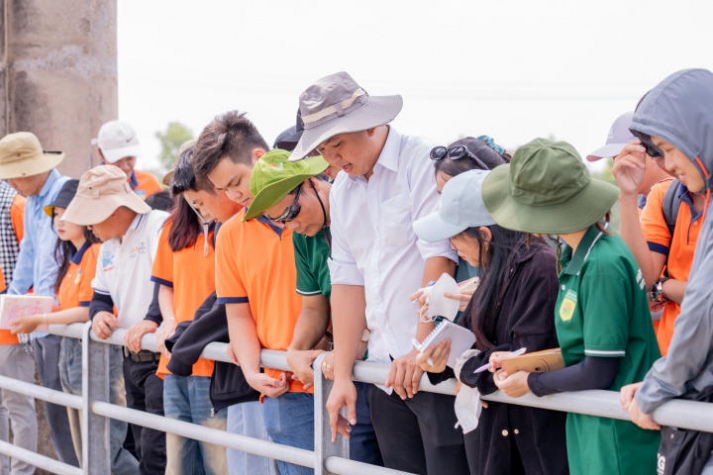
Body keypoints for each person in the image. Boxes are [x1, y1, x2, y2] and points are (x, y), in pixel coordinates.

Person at [290, 71, 468, 474]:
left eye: (338, 145)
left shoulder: (420, 162)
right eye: (325, 151)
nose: (334, 160)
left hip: (433, 365)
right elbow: (348, 281)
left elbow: (439, 259)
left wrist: (419, 348)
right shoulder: (341, 190)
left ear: (370, 124)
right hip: (383, 369)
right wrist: (345, 374)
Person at [482, 138, 660, 475]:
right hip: (593, 422)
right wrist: (527, 363)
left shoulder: (602, 264)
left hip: (616, 433)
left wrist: (531, 384)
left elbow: (599, 369)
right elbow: (586, 350)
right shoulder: (577, 256)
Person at [412, 169, 568, 475]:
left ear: (484, 234)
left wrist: (463, 366)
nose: (452, 247)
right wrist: (440, 362)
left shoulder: (539, 265)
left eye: (456, 237)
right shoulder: (493, 271)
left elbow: (520, 358)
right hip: (501, 435)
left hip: (537, 440)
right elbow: (472, 348)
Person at [244, 149, 383, 466]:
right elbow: (313, 308)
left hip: (386, 362)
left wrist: (354, 345)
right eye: (279, 222)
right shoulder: (303, 239)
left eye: (291, 213)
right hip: (355, 372)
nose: (291, 225)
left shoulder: (361, 210)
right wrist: (295, 349)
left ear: (311, 183)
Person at [193, 112, 307, 475]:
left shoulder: (317, 208)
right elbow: (238, 313)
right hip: (283, 388)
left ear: (260, 158)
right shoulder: (230, 234)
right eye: (223, 189)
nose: (233, 195)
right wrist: (250, 369)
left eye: (236, 181)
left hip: (344, 375)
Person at [618, 68, 713, 473]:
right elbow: (643, 279)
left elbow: (705, 303)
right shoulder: (671, 197)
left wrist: (661, 385)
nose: (666, 162)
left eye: (667, 147)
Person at [10, 179, 138, 474]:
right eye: (55, 215)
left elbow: (84, 311)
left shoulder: (95, 254)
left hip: (92, 356)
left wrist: (39, 319)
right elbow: (68, 307)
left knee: (106, 446)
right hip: (73, 355)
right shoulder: (73, 260)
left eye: (68, 213)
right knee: (84, 443)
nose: (60, 221)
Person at [62, 164, 168, 475]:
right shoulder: (107, 247)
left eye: (90, 217)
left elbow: (170, 282)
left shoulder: (158, 227)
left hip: (161, 357)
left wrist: (152, 318)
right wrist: (99, 314)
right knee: (140, 443)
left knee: (157, 450)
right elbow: (100, 296)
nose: (88, 226)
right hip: (131, 356)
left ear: (112, 211)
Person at [0, 131, 79, 468]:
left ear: (26, 172)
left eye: (12, 177)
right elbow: (28, 261)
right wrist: (12, 303)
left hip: (64, 318)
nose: (11, 185)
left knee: (73, 410)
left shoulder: (67, 196)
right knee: (54, 407)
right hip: (42, 321)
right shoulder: (32, 202)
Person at [150, 143, 228, 475]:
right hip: (174, 360)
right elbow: (164, 285)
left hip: (214, 362)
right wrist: (168, 320)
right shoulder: (172, 229)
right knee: (179, 462)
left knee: (218, 462)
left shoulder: (230, 227)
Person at [610, 110, 705, 355]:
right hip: (670, 361)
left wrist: (664, 288)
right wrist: (627, 196)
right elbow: (639, 281)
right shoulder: (663, 197)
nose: (617, 163)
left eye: (663, 148)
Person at [430, 136, 509, 283]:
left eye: (453, 196)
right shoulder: (464, 249)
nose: (445, 205)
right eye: (442, 195)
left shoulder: (533, 262)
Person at [0, 177, 31, 475]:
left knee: (19, 407)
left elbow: (31, 266)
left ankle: (21, 473)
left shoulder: (15, 204)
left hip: (11, 329)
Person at [95, 120, 163, 199]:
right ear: (101, 154)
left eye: (129, 158)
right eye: (117, 160)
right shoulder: (90, 189)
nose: (125, 167)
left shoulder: (150, 184)